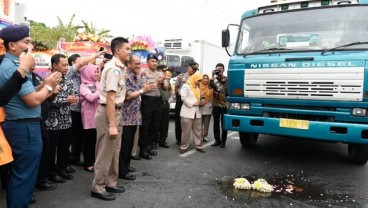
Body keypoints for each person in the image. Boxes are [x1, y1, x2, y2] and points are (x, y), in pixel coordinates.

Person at [0, 25, 60, 207]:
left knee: (23, 176)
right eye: (26, 42)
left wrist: (44, 86)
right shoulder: (14, 67)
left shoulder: (13, 65)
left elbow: (27, 93)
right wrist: (49, 86)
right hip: (24, 128)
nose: (30, 46)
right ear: (12, 45)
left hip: (22, 126)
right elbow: (33, 101)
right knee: (24, 177)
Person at [91, 37, 130, 201]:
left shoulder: (120, 68)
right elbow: (111, 98)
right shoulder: (113, 68)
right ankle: (98, 187)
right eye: (127, 49)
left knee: (115, 151)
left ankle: (110, 183)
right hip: (109, 112)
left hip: (116, 112)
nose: (129, 52)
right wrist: (112, 124)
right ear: (118, 50)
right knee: (105, 152)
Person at [119, 54, 155, 180]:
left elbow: (138, 89)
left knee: (129, 145)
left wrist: (145, 87)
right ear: (129, 64)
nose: (139, 66)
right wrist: (142, 91)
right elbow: (127, 96)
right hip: (126, 117)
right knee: (125, 145)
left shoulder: (135, 75)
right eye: (136, 64)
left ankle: (126, 166)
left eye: (140, 63)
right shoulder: (126, 76)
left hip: (134, 115)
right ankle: (122, 171)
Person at [67, 52, 104, 169]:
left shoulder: (84, 76)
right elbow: (91, 97)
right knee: (70, 137)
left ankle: (76, 158)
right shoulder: (71, 73)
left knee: (81, 137)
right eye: (82, 62)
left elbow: (94, 71)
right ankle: (68, 162)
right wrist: (96, 54)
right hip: (73, 109)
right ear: (74, 63)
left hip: (83, 111)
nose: (85, 64)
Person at [46, 54, 78, 182]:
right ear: (55, 65)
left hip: (66, 120)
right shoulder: (48, 80)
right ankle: (51, 173)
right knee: (51, 150)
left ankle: (62, 169)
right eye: (64, 65)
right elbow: (46, 99)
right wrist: (66, 100)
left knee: (64, 148)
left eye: (67, 64)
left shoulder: (68, 80)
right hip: (52, 122)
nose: (67, 67)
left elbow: (73, 95)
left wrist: (74, 98)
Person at [138, 53, 166, 160]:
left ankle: (149, 146)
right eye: (152, 61)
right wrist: (157, 82)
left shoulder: (159, 72)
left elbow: (164, 88)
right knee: (146, 126)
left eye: (155, 61)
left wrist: (162, 82)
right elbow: (146, 88)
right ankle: (143, 149)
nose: (154, 63)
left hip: (157, 101)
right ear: (147, 62)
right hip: (148, 101)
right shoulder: (143, 73)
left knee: (155, 125)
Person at [79, 64, 101, 172]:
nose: (97, 74)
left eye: (98, 72)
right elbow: (91, 98)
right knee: (89, 140)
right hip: (88, 117)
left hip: (98, 116)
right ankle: (87, 163)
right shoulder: (84, 85)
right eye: (95, 72)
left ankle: (93, 161)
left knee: (95, 141)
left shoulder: (98, 84)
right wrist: (101, 90)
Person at [180, 72, 206, 154]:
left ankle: (198, 146)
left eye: (200, 80)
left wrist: (201, 102)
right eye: (198, 80)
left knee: (198, 131)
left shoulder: (197, 88)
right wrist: (193, 103)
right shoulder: (186, 86)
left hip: (197, 112)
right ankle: (183, 146)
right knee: (186, 131)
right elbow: (183, 97)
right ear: (194, 78)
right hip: (187, 112)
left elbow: (199, 98)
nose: (199, 82)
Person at [174, 61, 198, 145]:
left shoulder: (196, 77)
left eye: (195, 69)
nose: (194, 71)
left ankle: (187, 139)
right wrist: (178, 97)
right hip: (181, 100)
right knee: (179, 120)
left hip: (192, 101)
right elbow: (176, 87)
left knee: (190, 121)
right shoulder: (181, 77)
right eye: (193, 69)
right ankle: (179, 139)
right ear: (189, 67)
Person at [210, 63, 228, 148]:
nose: (219, 70)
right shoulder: (214, 78)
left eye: (220, 69)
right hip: (215, 103)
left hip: (224, 104)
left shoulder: (226, 78)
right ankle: (217, 140)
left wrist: (220, 76)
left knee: (224, 123)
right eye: (217, 69)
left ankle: (223, 141)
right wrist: (212, 76)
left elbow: (226, 86)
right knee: (216, 123)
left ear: (223, 70)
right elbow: (210, 87)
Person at [158, 66, 171, 148]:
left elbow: (167, 89)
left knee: (165, 123)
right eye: (162, 71)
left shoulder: (167, 80)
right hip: (158, 103)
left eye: (165, 71)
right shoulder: (156, 79)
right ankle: (155, 140)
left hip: (165, 103)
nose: (164, 73)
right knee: (157, 123)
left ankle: (163, 140)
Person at [200, 74, 213, 142]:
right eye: (204, 78)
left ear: (208, 79)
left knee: (206, 123)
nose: (205, 80)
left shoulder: (210, 87)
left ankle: (205, 136)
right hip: (200, 106)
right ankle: (200, 136)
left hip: (208, 106)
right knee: (199, 123)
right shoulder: (199, 86)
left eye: (207, 78)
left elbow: (212, 97)